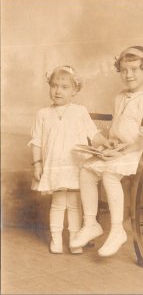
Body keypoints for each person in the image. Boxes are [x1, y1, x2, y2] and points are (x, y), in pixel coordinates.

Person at [70, 46, 143, 257]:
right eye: (123, 70)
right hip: (123, 150)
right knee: (87, 171)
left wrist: (121, 153)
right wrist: (108, 144)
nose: (128, 74)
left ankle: (117, 229)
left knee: (110, 173)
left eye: (134, 69)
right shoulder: (119, 97)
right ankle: (91, 223)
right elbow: (117, 129)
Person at [28, 65, 115, 255]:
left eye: (65, 87)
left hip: (75, 166)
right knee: (58, 204)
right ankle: (56, 240)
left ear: (75, 90)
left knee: (75, 204)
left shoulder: (80, 111)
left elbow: (93, 134)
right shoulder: (42, 114)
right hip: (55, 167)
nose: (58, 91)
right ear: (49, 87)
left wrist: (105, 142)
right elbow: (36, 142)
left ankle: (76, 241)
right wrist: (37, 164)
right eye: (54, 86)